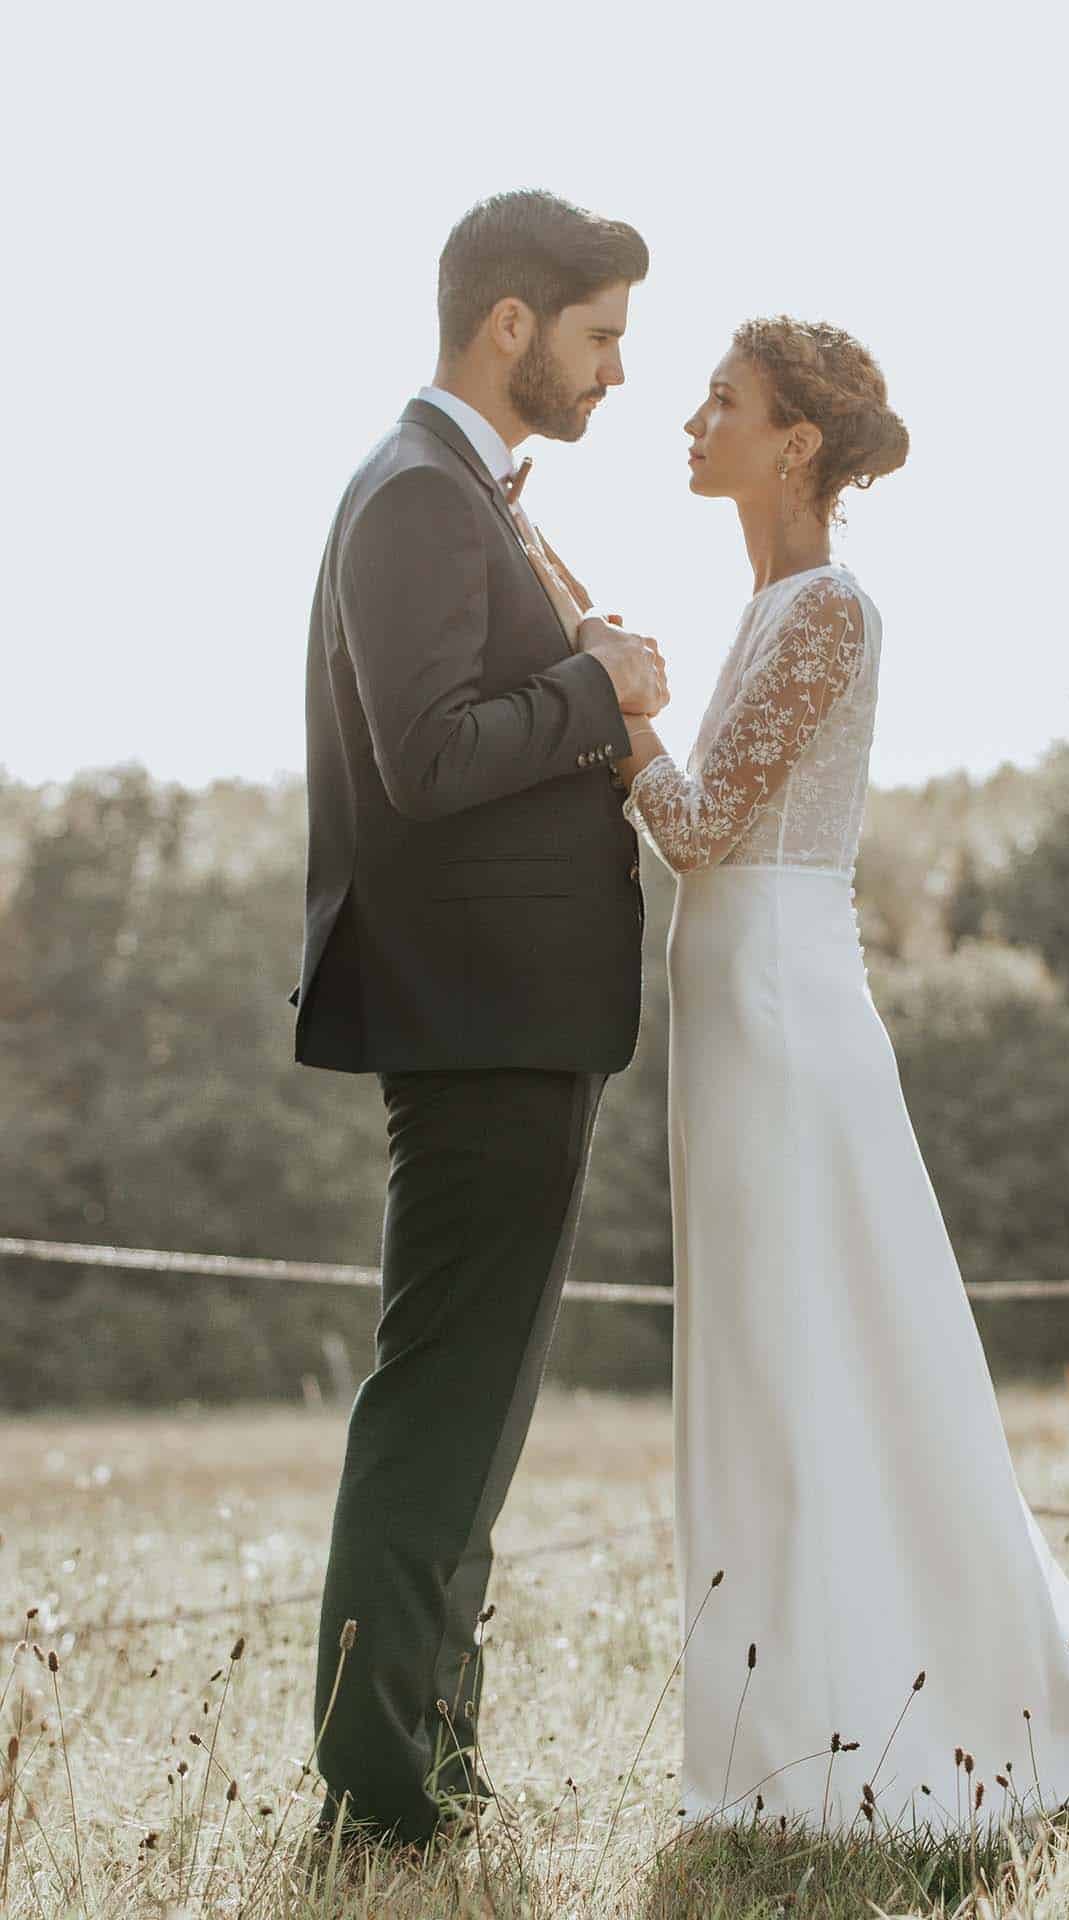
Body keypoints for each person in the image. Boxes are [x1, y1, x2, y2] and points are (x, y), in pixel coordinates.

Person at [527, 316, 1069, 1844]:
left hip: (782, 1012)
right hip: (735, 1011)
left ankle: (885, 1733)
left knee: (815, 1345)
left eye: (723, 402)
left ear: (797, 444)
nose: (691, 419)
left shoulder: (829, 610)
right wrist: (576, 613)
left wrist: (609, 700)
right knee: (762, 1351)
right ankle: (786, 1740)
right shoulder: (767, 607)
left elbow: (699, 828)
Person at [289, 187, 668, 1856]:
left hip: (510, 1016)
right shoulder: (417, 498)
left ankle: (429, 1762)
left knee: (474, 1409)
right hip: (477, 1020)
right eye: (600, 338)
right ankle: (385, 1791)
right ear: (510, 323)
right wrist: (601, 687)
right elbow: (427, 756)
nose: (614, 373)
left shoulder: (456, 494)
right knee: (444, 1403)